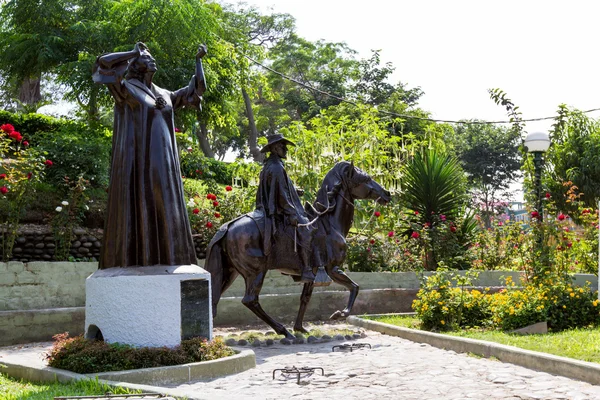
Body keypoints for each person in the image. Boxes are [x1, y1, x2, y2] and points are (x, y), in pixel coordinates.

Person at [93, 42, 207, 269]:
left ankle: (170, 259)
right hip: (139, 162)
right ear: (136, 65)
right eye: (147, 57)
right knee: (144, 201)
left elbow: (197, 90)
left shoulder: (165, 93)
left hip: (166, 163)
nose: (152, 59)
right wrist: (134, 52)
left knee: (166, 205)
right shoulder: (125, 88)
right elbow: (103, 63)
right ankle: (142, 258)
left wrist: (198, 60)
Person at [255, 134, 316, 283]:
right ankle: (305, 269)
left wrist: (294, 191)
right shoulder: (276, 167)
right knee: (306, 229)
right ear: (275, 148)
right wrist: (291, 212)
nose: (286, 150)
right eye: (283, 146)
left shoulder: (269, 165)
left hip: (268, 207)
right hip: (278, 210)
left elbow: (279, 187)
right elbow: (281, 194)